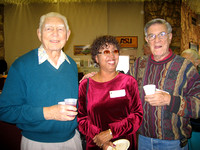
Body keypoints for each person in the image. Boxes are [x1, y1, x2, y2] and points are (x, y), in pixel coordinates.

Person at [0, 12, 82, 150]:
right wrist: (48, 113)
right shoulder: (21, 65)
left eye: (60, 29)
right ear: (39, 33)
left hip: (73, 141)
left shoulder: (72, 65)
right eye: (48, 28)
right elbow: (5, 110)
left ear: (67, 34)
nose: (55, 33)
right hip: (37, 144)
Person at [129, 18, 200, 150]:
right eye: (152, 36)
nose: (157, 40)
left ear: (170, 37)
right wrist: (99, 76)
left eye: (162, 34)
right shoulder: (139, 64)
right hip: (142, 140)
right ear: (146, 39)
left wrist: (169, 100)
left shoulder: (186, 67)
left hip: (174, 143)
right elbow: (122, 87)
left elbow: (198, 106)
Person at [77, 35, 143, 150]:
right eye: (105, 52)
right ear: (96, 58)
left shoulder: (129, 82)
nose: (111, 55)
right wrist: (100, 138)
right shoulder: (85, 85)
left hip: (125, 144)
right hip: (96, 143)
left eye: (115, 51)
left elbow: (137, 116)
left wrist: (111, 132)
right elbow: (82, 120)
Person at [181, 49, 200, 150]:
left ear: (197, 62)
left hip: (196, 129)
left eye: (187, 60)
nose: (184, 63)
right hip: (184, 128)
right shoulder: (181, 78)